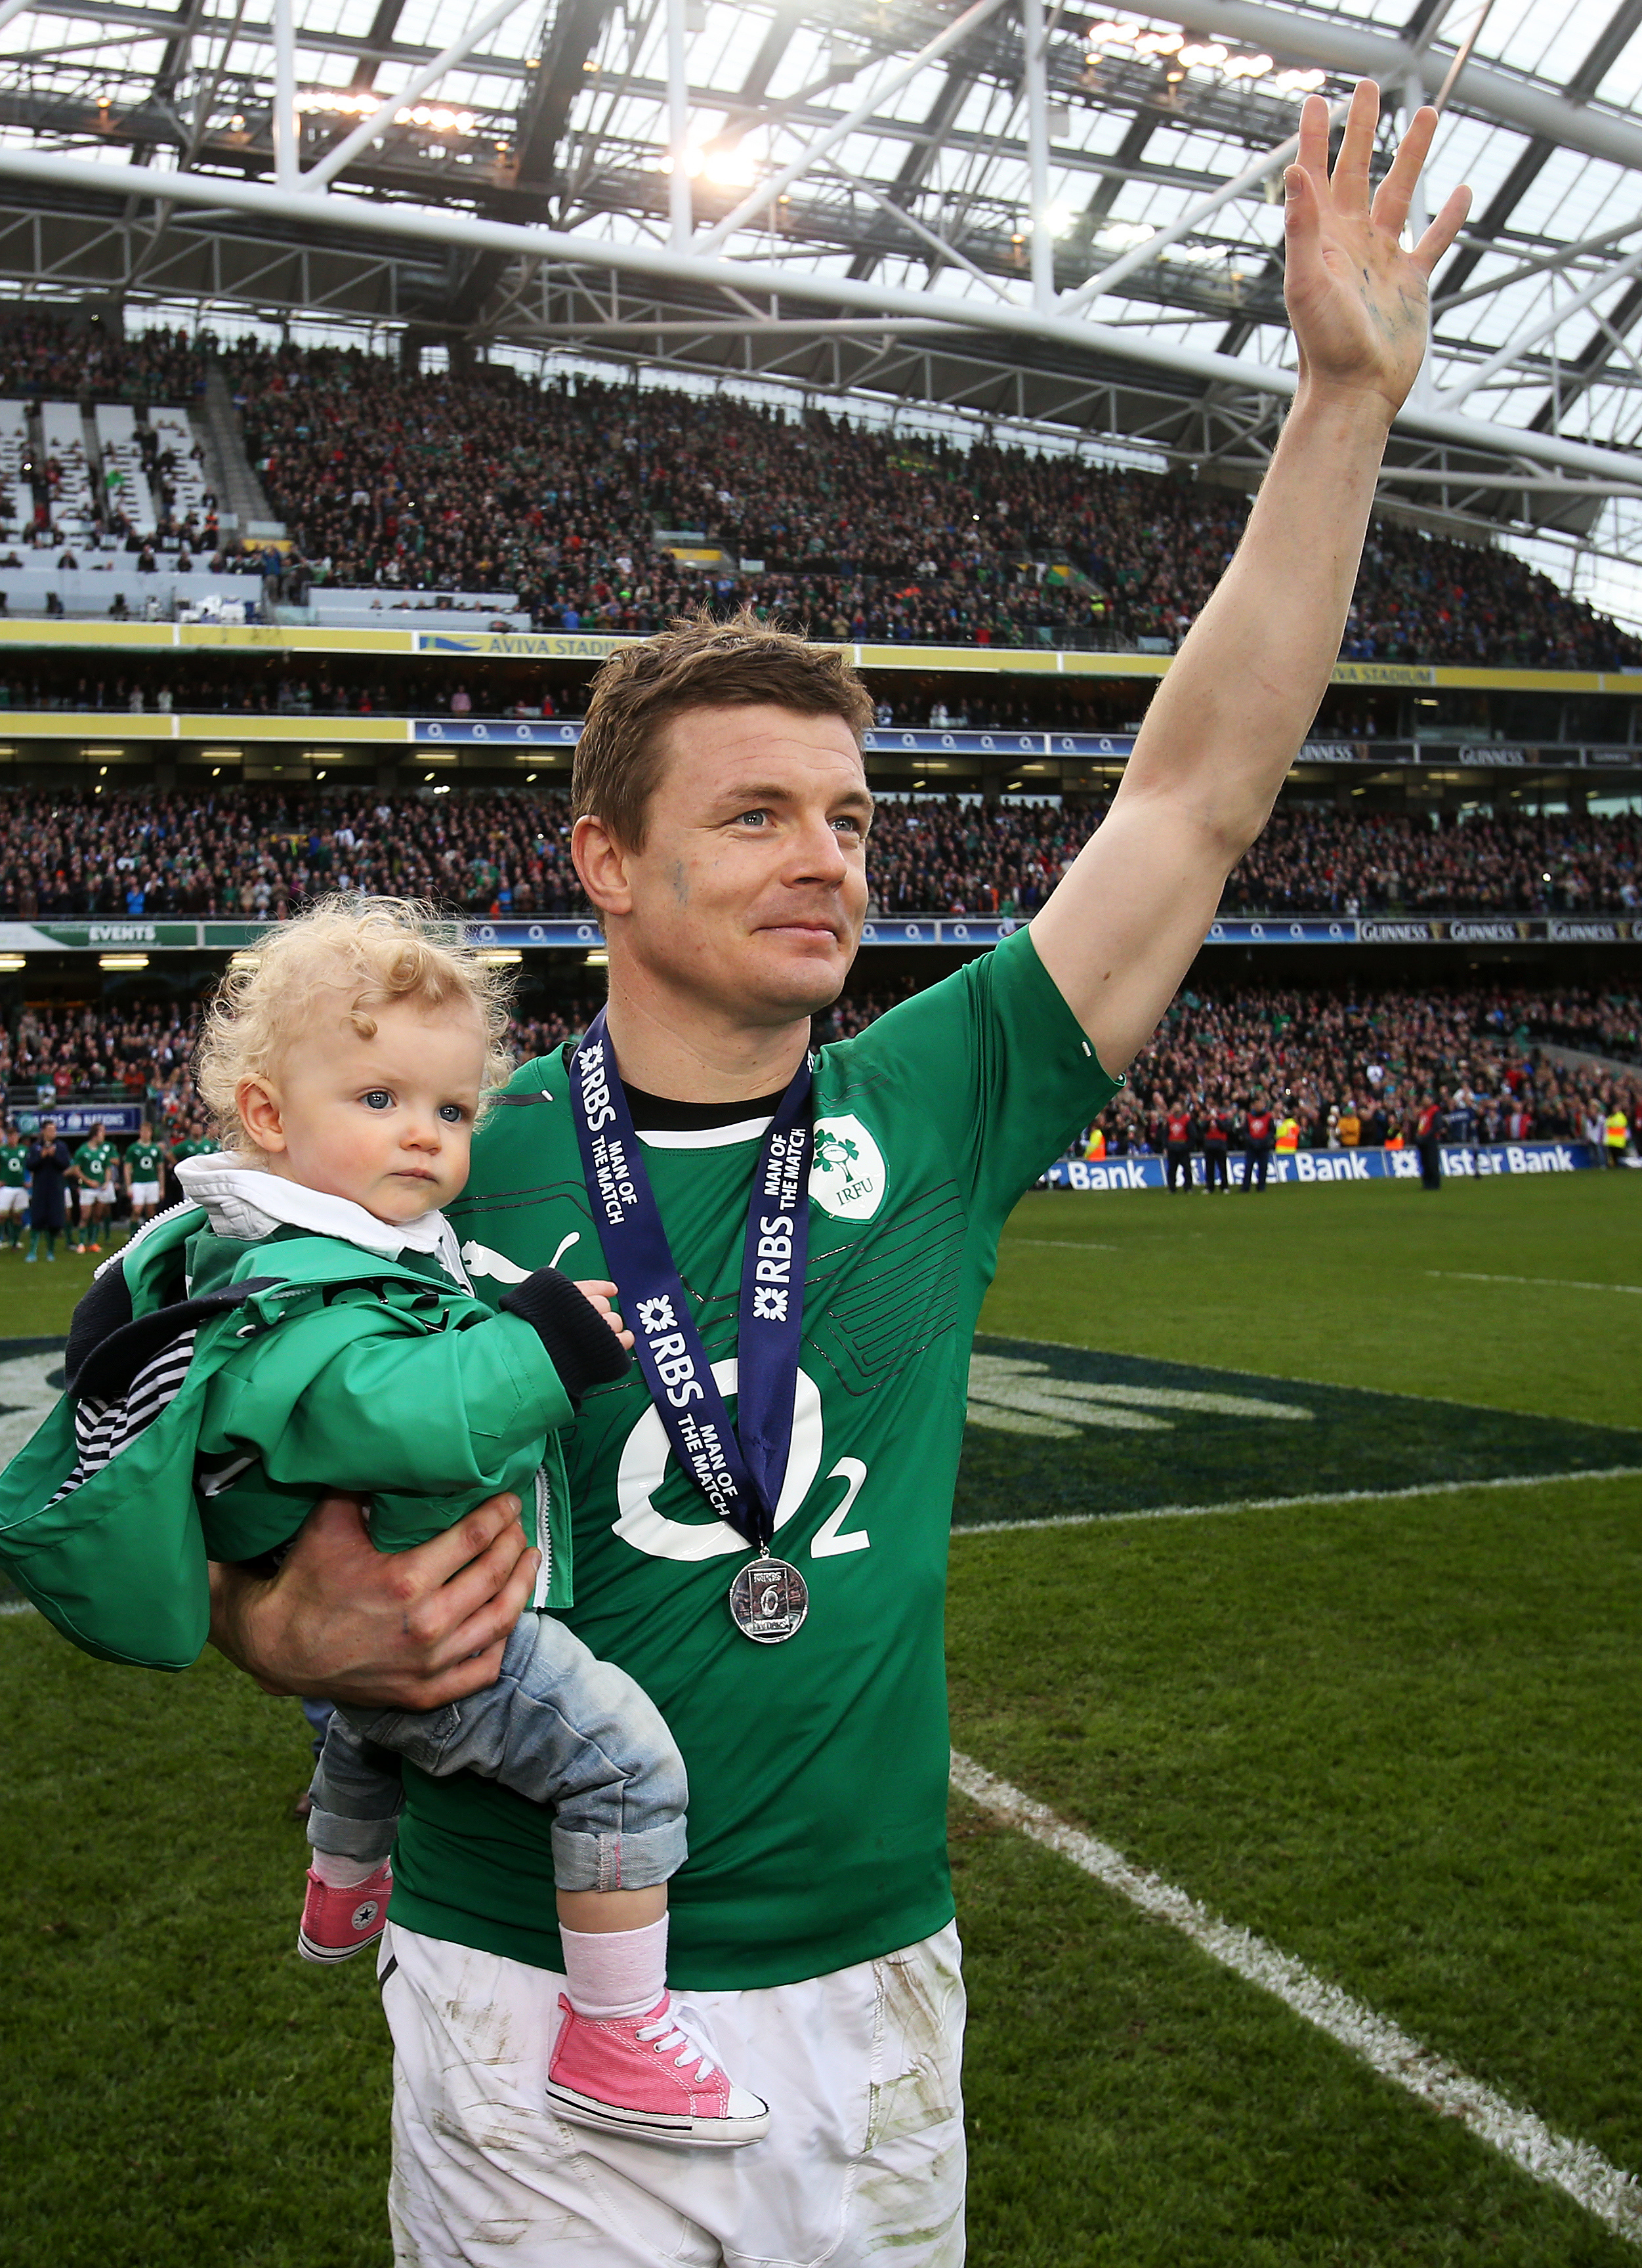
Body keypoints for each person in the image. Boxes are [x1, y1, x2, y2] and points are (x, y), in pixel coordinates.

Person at [198, 87, 1469, 2267]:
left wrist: (1341, 398)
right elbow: (217, 1519)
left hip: (881, 1981)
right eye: (761, 812)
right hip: (530, 1988)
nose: (830, 858)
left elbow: (1193, 798)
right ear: (604, 859)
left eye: (856, 817)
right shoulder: (435, 1162)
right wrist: (286, 1611)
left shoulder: (939, 1097)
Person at [17, 901, 768, 2149]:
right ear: (268, 1117)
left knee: (368, 1728)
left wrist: (512, 1306)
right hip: (440, 1606)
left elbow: (427, 1318)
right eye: (378, 1100)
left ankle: (342, 1884)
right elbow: (387, 1412)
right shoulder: (286, 1276)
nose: (421, 1133)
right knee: (626, 1770)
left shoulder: (340, 1239)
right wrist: (548, 1350)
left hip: (373, 1617)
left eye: (450, 1109)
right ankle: (616, 2034)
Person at [24, 1117, 73, 1261]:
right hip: (40, 1188)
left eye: (54, 1129)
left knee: (54, 1220)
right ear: (43, 1131)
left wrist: (54, 1156)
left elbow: (65, 1164)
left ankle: (50, 1251)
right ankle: (33, 1250)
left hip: (56, 1188)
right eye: (50, 1130)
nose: (53, 1132)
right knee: (38, 1219)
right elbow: (30, 1165)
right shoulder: (35, 1147)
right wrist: (42, 1156)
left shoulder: (61, 1146)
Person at [71, 1119, 117, 1253]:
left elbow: (108, 1168)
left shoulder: (104, 1151)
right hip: (88, 1188)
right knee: (85, 1216)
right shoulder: (83, 1150)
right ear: (95, 1134)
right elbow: (76, 1169)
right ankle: (81, 1243)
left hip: (101, 1187)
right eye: (102, 1133)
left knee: (97, 1215)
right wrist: (88, 1181)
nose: (104, 1136)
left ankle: (93, 1242)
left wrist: (107, 1182)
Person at [122, 1119, 166, 1237]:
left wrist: (162, 1187)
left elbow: (160, 1169)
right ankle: (133, 1233)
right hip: (138, 1182)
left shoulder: (155, 1149)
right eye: (143, 1131)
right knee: (137, 1209)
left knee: (151, 1211)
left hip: (152, 1182)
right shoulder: (133, 1148)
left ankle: (148, 1234)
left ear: (151, 1133)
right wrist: (129, 1186)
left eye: (147, 1131)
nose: (145, 1134)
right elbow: (127, 1168)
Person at [0, 1122, 28, 1246]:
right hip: (6, 1187)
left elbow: (32, 1166)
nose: (13, 1139)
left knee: (18, 1215)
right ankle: (1, 1239)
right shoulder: (2, 1150)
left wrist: (30, 1180)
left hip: (20, 1186)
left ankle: (15, 1240)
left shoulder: (24, 1150)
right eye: (10, 1136)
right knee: (2, 1215)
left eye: (15, 1136)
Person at [1242, 1096, 1274, 1190]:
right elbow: (1245, 1131)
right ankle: (1246, 1187)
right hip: (1251, 1146)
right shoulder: (1249, 1117)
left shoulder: (1269, 1116)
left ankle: (1261, 1186)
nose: (1258, 1106)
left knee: (1263, 1167)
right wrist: (1251, 1141)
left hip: (1264, 1145)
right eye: (1257, 1104)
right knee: (1248, 1167)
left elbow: (1272, 1131)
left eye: (1260, 1104)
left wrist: (1265, 1141)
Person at [1164, 1096, 1194, 1191]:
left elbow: (1192, 1134)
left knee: (1187, 1168)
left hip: (1183, 1146)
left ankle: (1188, 1187)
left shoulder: (1186, 1119)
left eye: (1178, 1106)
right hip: (1172, 1147)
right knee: (1172, 1169)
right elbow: (1165, 1134)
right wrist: (1166, 1146)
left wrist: (1188, 1146)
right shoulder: (1169, 1120)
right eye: (1175, 1106)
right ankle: (1172, 1187)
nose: (1176, 1107)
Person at [1201, 1099, 1232, 1190]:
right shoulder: (1207, 1118)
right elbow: (1203, 1129)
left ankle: (1224, 1186)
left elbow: (1225, 1129)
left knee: (1222, 1167)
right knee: (1209, 1167)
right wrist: (1208, 1121)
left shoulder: (1223, 1117)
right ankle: (1210, 1187)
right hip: (1209, 1144)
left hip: (1221, 1144)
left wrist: (1217, 1120)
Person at [1415, 1095, 1443, 1190]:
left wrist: (1426, 1137)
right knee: (1425, 1163)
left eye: (1426, 1099)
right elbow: (1421, 1127)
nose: (1424, 1101)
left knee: (1432, 1163)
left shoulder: (1435, 1111)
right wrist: (1418, 1137)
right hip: (1423, 1141)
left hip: (1431, 1140)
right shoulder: (1423, 1113)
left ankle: (1435, 1184)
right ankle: (1427, 1183)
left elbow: (1437, 1126)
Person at [1604, 1101, 1630, 1166]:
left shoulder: (1621, 1116)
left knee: (1620, 1158)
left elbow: (1617, 1124)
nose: (1614, 1109)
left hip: (1619, 1141)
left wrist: (1611, 1124)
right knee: (1613, 1158)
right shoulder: (1611, 1116)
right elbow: (1606, 1124)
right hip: (1611, 1141)